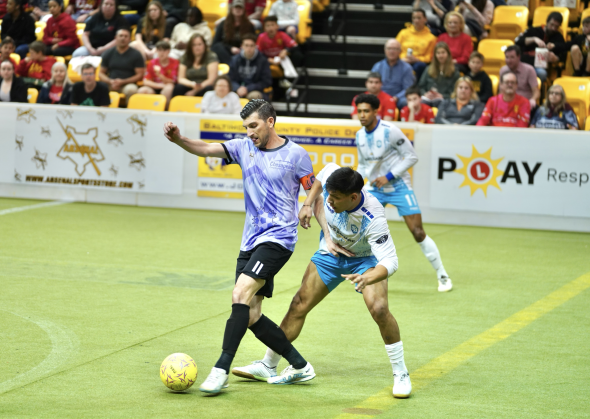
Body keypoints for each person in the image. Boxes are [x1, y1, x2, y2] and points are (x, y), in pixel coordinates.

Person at [163, 99, 317, 393]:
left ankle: (220, 370)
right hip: (250, 239)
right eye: (245, 127)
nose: (249, 132)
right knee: (251, 314)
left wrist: (311, 209)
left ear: (270, 121)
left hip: (279, 238)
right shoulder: (242, 148)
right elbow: (206, 149)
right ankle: (300, 366)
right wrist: (180, 140)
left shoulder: (296, 155)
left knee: (240, 293)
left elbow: (315, 189)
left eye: (254, 125)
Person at [233, 163, 411, 398]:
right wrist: (308, 204)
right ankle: (268, 364)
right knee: (299, 304)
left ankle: (400, 373)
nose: (329, 201)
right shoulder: (334, 179)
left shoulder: (373, 216)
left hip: (365, 261)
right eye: (329, 195)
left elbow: (390, 262)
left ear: (353, 197)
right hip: (331, 254)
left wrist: (367, 276)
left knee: (379, 309)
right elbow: (324, 173)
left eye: (336, 198)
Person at [357, 93, 451, 291]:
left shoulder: (391, 131)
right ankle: (367, 276)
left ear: (376, 111)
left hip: (399, 187)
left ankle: (443, 276)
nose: (362, 115)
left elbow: (411, 157)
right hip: (375, 189)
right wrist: (355, 184)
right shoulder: (359, 136)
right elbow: (363, 165)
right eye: (360, 111)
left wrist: (388, 176)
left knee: (417, 232)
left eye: (366, 111)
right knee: (360, 231)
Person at [515, 11, 566, 84]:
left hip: (538, 66)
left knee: (542, 74)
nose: (553, 28)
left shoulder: (558, 37)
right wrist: (533, 39)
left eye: (556, 27)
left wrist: (555, 58)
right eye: (551, 25)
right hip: (524, 62)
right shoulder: (533, 30)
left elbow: (563, 55)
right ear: (547, 22)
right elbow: (518, 41)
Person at [99, 28, 145, 104]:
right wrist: (110, 81)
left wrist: (123, 82)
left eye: (126, 36)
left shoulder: (136, 54)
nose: (123, 38)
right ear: (115, 38)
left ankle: (130, 113)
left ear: (130, 39)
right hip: (111, 83)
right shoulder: (108, 53)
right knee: (97, 87)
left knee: (131, 90)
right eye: (121, 36)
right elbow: (101, 73)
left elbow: (140, 75)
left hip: (128, 84)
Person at [370, 39, 415, 110]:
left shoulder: (407, 68)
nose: (391, 51)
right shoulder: (377, 66)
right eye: (389, 48)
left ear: (400, 51)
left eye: (395, 49)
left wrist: (396, 97)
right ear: (385, 50)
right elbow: (372, 83)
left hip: (398, 98)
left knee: (404, 102)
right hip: (380, 96)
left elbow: (408, 88)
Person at [395, 9, 436, 80]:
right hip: (403, 59)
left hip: (419, 63)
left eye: (419, 18)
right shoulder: (403, 33)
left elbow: (430, 56)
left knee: (419, 66)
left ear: (425, 19)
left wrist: (417, 59)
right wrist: (402, 58)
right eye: (414, 18)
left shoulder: (431, 38)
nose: (416, 20)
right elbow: (395, 49)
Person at [228, 33, 271, 100]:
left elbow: (266, 81)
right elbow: (230, 79)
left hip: (255, 90)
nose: (249, 48)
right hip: (237, 89)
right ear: (242, 46)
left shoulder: (262, 60)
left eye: (251, 46)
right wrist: (237, 88)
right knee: (228, 95)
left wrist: (248, 88)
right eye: (246, 45)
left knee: (254, 96)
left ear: (255, 46)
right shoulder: (235, 60)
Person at [212, 0, 255, 65]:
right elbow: (215, 43)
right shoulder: (223, 24)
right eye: (236, 7)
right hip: (226, 52)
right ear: (232, 9)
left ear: (244, 10)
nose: (238, 10)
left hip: (243, 51)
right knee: (217, 46)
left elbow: (253, 41)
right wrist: (230, 48)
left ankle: (233, 65)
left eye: (240, 8)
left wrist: (243, 48)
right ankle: (232, 65)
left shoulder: (249, 25)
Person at [137, 40, 178, 109]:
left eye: (164, 50)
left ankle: (165, 111)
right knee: (142, 90)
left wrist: (159, 75)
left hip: (168, 88)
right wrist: (161, 86)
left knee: (169, 88)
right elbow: (145, 81)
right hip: (156, 87)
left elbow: (172, 81)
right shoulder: (152, 63)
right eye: (159, 50)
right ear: (156, 51)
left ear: (168, 51)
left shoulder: (175, 63)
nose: (162, 53)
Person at [418, 42, 460, 107]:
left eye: (443, 52)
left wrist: (442, 96)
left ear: (448, 54)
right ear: (435, 55)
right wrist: (425, 94)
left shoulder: (454, 72)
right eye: (438, 53)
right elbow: (421, 86)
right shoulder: (428, 69)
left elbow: (456, 92)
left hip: (444, 100)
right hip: (428, 99)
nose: (441, 55)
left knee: (439, 103)